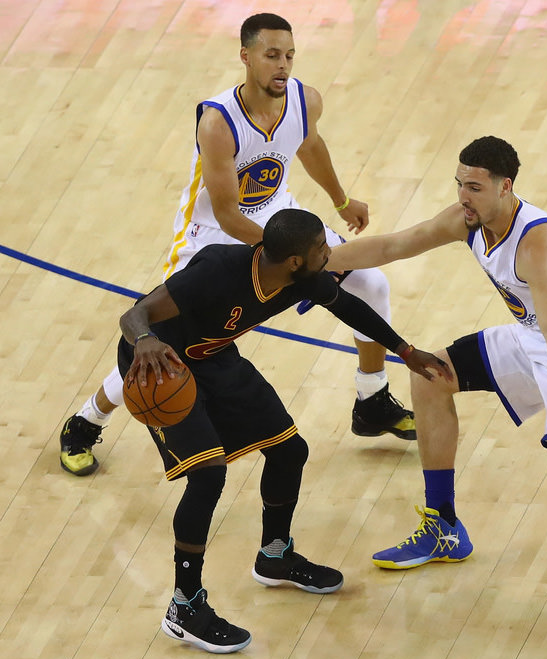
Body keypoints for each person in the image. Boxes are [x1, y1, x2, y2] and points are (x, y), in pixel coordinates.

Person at [325, 136, 547, 646]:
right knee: (429, 376)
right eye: (459, 184)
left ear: (505, 187)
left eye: (474, 187)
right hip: (533, 336)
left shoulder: (537, 243)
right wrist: (320, 260)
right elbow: (393, 245)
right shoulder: (468, 221)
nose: (463, 196)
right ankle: (444, 526)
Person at [60, 12, 415, 477]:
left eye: (289, 55)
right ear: (246, 57)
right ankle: (86, 420)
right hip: (211, 236)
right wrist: (294, 260)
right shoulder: (218, 122)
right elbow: (228, 213)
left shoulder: (305, 100)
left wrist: (341, 199)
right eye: (271, 56)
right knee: (178, 345)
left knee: (371, 284)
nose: (282, 65)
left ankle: (372, 398)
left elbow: (308, 143)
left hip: (280, 219)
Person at [119, 208, 451, 653]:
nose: (329, 252)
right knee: (208, 474)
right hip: (160, 366)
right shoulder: (218, 268)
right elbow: (136, 314)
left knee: (290, 450)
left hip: (215, 357)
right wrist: (145, 340)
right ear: (295, 259)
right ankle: (184, 605)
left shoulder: (303, 278)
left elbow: (350, 306)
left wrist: (404, 351)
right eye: (321, 248)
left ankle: (274, 555)